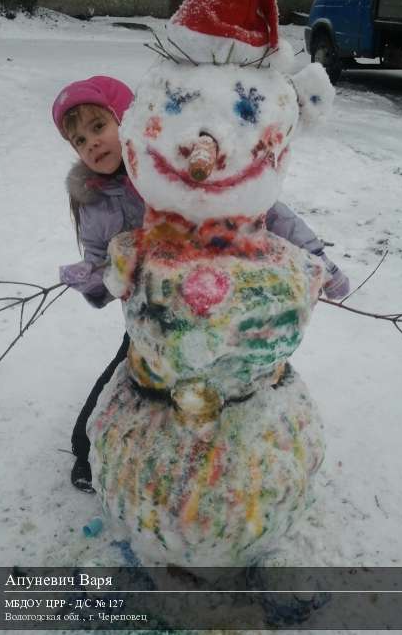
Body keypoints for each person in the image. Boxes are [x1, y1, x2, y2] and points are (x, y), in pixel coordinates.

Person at [52, 75, 349, 492]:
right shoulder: (94, 204)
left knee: (226, 386)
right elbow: (104, 280)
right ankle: (86, 450)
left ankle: (234, 476)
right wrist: (92, 277)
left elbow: (271, 213)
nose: (91, 144)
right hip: (154, 320)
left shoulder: (172, 172)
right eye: (79, 140)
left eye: (99, 127)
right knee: (129, 379)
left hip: (221, 306)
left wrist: (318, 260)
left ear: (130, 120)